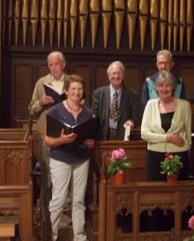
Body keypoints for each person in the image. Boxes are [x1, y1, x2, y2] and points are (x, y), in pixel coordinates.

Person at [44, 74, 95, 241]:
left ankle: (79, 236)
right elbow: (47, 140)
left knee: (79, 200)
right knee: (58, 200)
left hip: (81, 159)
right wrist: (61, 140)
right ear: (66, 91)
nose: (77, 92)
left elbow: (92, 138)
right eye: (73, 89)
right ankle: (50, 235)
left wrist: (90, 143)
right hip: (61, 158)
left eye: (80, 89)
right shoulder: (55, 111)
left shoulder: (88, 114)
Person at [141, 70, 191, 181]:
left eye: (168, 85)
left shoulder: (185, 105)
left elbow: (188, 135)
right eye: (161, 86)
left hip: (179, 155)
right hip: (155, 156)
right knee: (155, 193)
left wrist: (187, 151)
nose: (164, 89)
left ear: (173, 87)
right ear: (156, 88)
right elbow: (144, 134)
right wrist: (168, 138)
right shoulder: (150, 105)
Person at [28, 51, 68, 187]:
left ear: (63, 64)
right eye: (50, 65)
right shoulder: (42, 83)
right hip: (46, 133)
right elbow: (31, 109)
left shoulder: (71, 81)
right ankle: (46, 206)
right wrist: (41, 102)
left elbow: (82, 103)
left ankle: (65, 206)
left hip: (66, 132)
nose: (54, 67)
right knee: (47, 172)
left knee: (64, 171)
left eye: (56, 64)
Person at [91, 61, 141, 140]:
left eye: (119, 73)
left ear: (124, 76)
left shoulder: (133, 95)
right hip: (102, 137)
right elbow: (94, 114)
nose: (116, 76)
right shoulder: (98, 94)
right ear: (108, 76)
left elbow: (137, 116)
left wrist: (132, 122)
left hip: (123, 137)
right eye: (113, 73)